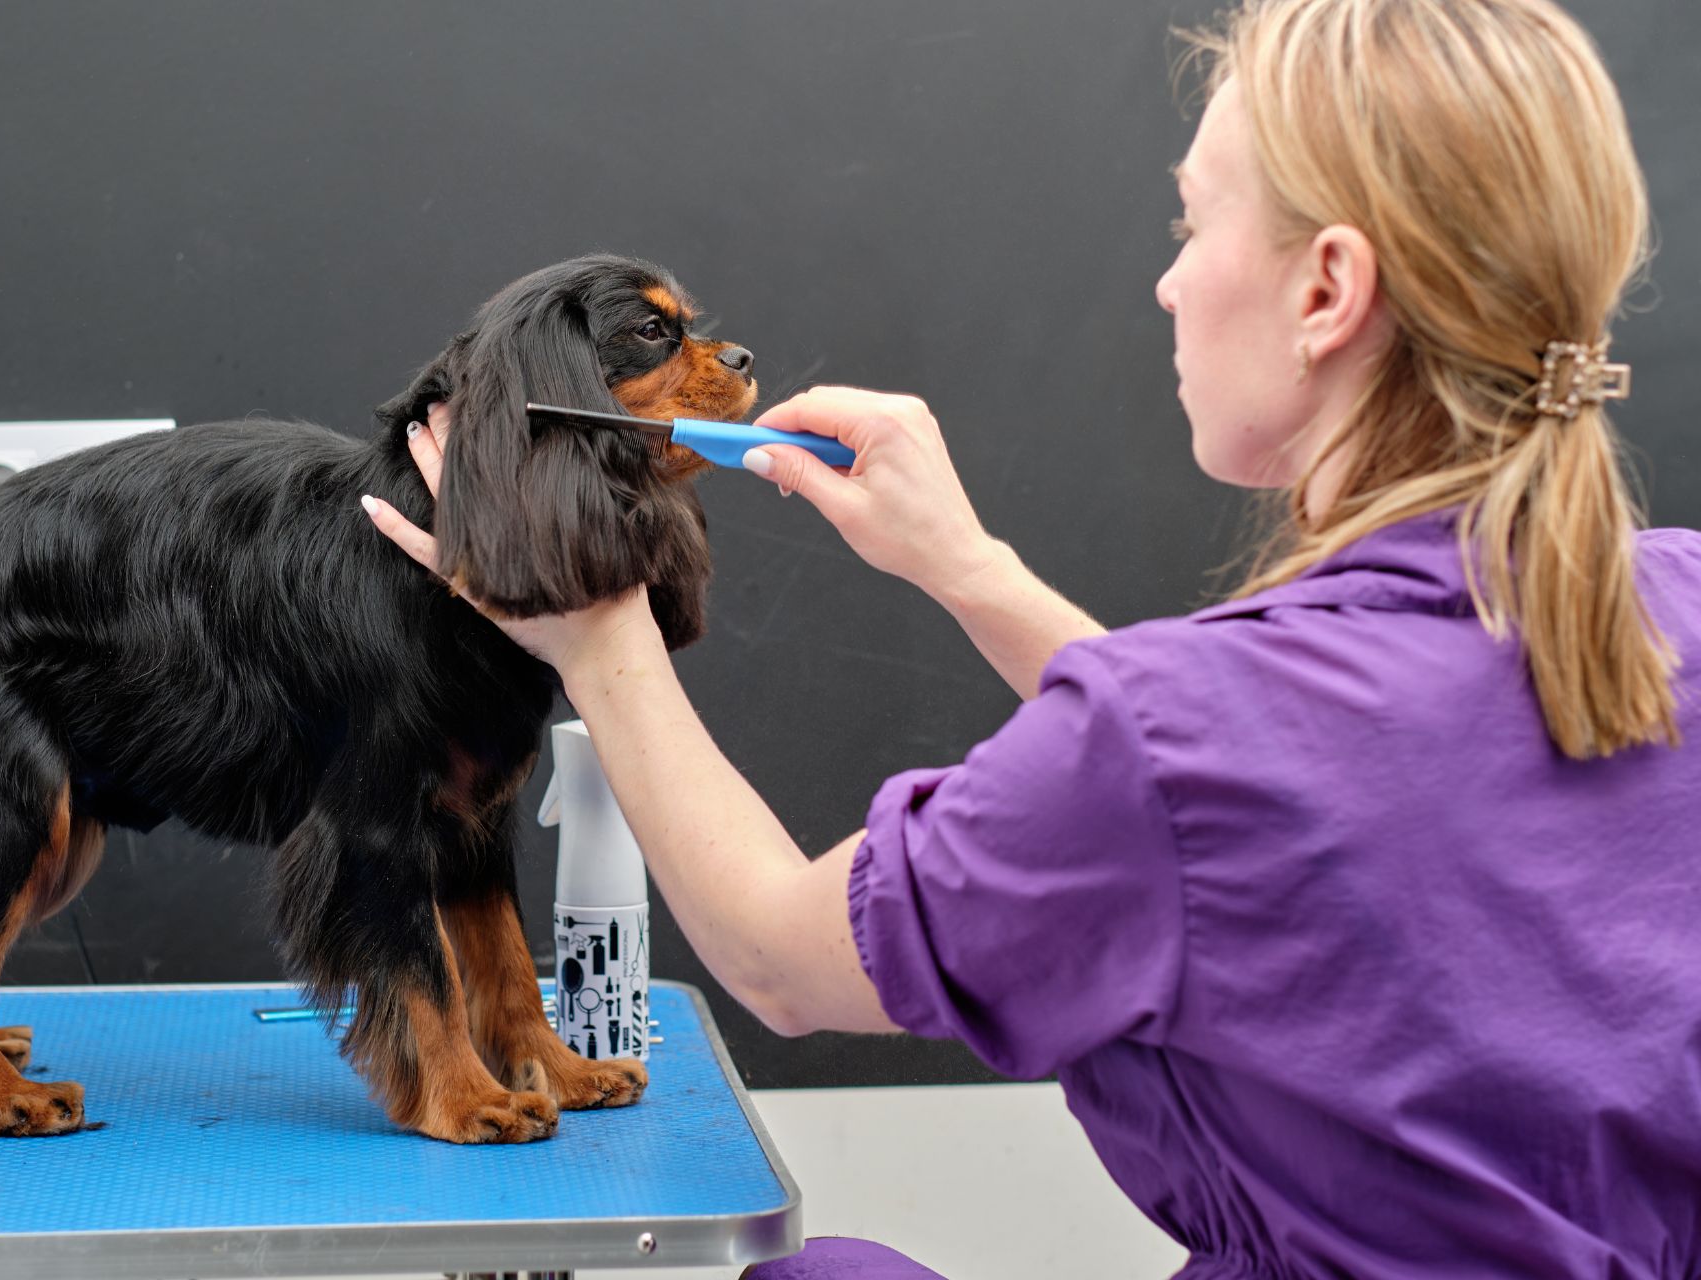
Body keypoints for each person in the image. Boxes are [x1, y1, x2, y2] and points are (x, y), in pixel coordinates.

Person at [360, 0, 1701, 1273]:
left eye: (1191, 224)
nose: (1169, 284)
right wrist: (970, 571)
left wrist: (600, 640)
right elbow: (1265, 777)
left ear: (1327, 290)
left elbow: (778, 957)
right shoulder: (1676, 599)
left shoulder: (1170, 747)